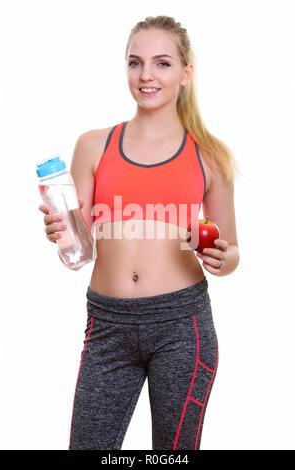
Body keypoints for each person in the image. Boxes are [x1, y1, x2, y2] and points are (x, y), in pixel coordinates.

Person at [39, 15, 240, 450]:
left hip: (181, 325)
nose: (147, 75)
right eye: (135, 62)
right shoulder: (94, 145)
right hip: (107, 323)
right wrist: (61, 232)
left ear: (186, 73)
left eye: (162, 63)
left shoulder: (210, 157)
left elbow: (231, 252)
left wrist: (223, 257)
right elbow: (80, 248)